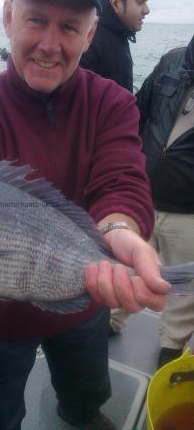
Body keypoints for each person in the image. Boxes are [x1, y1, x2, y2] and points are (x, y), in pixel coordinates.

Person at [0, 0, 170, 429]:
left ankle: (81, 414)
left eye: (68, 27)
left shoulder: (113, 103)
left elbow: (120, 178)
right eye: (35, 21)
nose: (49, 44)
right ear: (9, 18)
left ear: (90, 35)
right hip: (0, 311)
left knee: (86, 385)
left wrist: (118, 229)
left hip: (84, 292)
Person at [111, 35, 194, 368]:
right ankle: (112, 317)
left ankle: (171, 343)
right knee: (124, 264)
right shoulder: (172, 61)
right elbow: (138, 111)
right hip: (142, 195)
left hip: (189, 211)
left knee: (183, 284)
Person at [79, 0, 150, 92]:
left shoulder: (118, 34)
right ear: (115, 3)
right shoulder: (93, 44)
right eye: (140, 2)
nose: (147, 10)